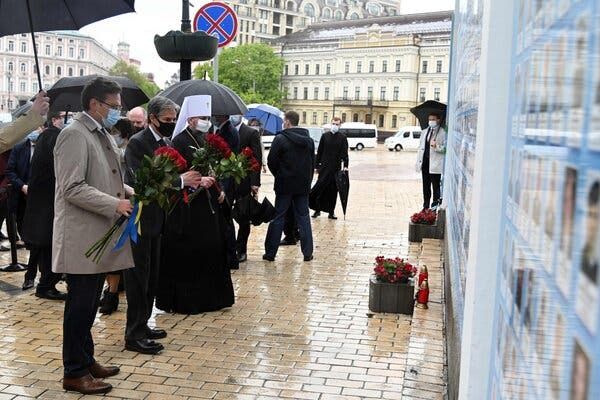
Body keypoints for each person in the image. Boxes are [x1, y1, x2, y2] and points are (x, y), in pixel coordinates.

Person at [53, 77, 133, 395]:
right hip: (81, 238)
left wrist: (127, 191)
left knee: (87, 306)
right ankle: (73, 372)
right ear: (95, 104)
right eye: (113, 106)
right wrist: (116, 204)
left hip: (97, 236)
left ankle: (85, 360)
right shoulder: (74, 135)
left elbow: (103, 177)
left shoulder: (98, 133)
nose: (117, 112)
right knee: (80, 307)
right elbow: (72, 187)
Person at [124, 96, 202, 355]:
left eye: (173, 120)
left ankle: (143, 323)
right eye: (166, 120)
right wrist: (180, 181)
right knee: (138, 278)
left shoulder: (166, 142)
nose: (170, 124)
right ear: (152, 118)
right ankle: (133, 333)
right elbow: (141, 182)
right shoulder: (138, 143)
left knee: (151, 277)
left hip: (158, 219)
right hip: (140, 219)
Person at [157, 94, 234, 314]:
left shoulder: (202, 138)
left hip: (206, 203)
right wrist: (200, 181)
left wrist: (218, 189)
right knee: (191, 252)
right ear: (190, 119)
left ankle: (211, 298)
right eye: (201, 117)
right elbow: (180, 174)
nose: (205, 121)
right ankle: (190, 301)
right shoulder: (180, 141)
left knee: (210, 249)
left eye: (207, 117)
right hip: (188, 207)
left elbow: (209, 170)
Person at [21, 112, 66, 299]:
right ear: (54, 119)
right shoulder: (52, 137)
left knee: (44, 246)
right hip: (47, 205)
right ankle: (45, 285)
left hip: (42, 205)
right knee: (47, 246)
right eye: (62, 116)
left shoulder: (46, 137)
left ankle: (44, 282)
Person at [263, 111, 314, 262]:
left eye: (284, 121)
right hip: (303, 185)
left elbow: (272, 161)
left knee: (278, 217)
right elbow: (312, 163)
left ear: (287, 122)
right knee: (304, 217)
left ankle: (270, 253)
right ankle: (307, 253)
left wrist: (280, 175)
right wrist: (307, 180)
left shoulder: (280, 139)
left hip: (284, 185)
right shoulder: (309, 140)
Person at [98, 117, 135, 315]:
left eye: (116, 132)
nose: (114, 136)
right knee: (109, 251)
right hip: (109, 202)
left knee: (115, 251)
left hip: (122, 203)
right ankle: (110, 291)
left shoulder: (126, 150)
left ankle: (112, 294)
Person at [7, 127, 41, 286]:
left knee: (37, 238)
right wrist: (22, 186)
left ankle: (33, 275)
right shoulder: (20, 148)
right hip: (22, 197)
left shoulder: (47, 146)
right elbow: (11, 171)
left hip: (41, 200)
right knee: (28, 236)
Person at [214, 114, 241, 270]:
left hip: (226, 180)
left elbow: (226, 155)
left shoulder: (228, 131)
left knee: (226, 219)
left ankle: (231, 257)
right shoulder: (224, 129)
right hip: (225, 179)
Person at [234, 118, 262, 263]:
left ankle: (241, 249)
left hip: (244, 182)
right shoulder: (221, 130)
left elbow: (256, 158)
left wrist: (255, 182)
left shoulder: (250, 133)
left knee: (244, 217)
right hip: (226, 181)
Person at [310, 117, 348, 220]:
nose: (335, 126)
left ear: (340, 125)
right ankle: (317, 210)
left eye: (337, 124)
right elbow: (320, 152)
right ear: (331, 124)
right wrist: (317, 166)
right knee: (320, 189)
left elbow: (345, 154)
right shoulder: (325, 136)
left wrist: (346, 166)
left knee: (332, 191)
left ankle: (331, 212)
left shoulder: (342, 138)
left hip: (335, 169)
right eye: (333, 124)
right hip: (324, 168)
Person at [416, 113, 446, 209]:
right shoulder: (424, 131)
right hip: (425, 163)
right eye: (429, 119)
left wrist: (436, 146)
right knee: (426, 187)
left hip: (435, 164)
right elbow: (421, 147)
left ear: (438, 120)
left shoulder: (442, 132)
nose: (431, 121)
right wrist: (418, 162)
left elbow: (445, 149)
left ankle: (434, 209)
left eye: (433, 119)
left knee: (436, 188)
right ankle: (425, 207)